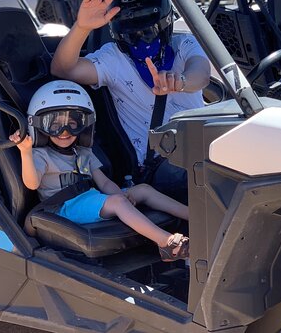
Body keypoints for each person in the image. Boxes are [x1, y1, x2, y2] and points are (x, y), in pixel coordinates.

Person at [50, 0, 210, 204]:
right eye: (131, 35)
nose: (141, 41)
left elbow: (201, 74)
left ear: (165, 25)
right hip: (162, 164)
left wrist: (180, 81)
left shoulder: (184, 44)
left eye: (148, 31)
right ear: (117, 34)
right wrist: (82, 27)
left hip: (202, 147)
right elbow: (62, 69)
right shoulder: (113, 59)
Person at [10, 80, 189, 261]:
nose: (65, 132)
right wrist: (25, 152)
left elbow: (103, 182)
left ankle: (193, 216)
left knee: (142, 190)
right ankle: (166, 243)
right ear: (40, 126)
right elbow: (32, 184)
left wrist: (123, 195)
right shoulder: (41, 156)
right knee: (118, 203)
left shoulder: (83, 152)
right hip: (63, 208)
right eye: (55, 125)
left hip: (89, 197)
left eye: (73, 124)